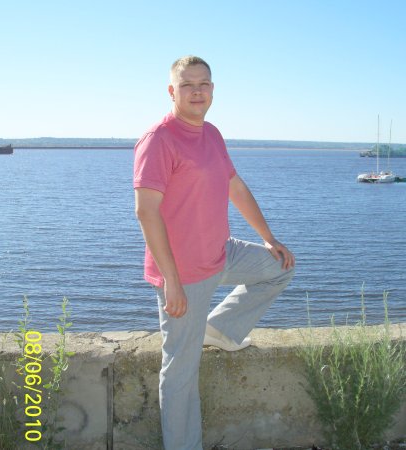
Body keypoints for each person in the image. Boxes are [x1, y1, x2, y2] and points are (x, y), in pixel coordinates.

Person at [133, 56, 295, 450]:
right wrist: (171, 281)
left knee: (280, 267)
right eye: (187, 85)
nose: (197, 92)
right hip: (183, 273)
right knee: (181, 373)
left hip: (221, 252)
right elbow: (146, 211)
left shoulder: (212, 134)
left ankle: (219, 329)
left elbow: (234, 186)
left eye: (203, 84)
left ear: (212, 90)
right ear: (172, 91)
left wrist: (269, 238)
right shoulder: (158, 139)